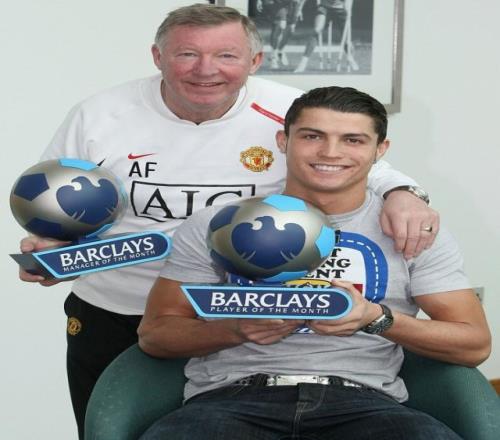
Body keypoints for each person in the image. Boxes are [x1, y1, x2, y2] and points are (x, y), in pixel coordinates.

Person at [18, 4, 438, 438]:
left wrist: (405, 194)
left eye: (226, 55)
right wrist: (52, 246)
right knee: (109, 426)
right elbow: (54, 199)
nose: (206, 70)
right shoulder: (99, 114)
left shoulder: (286, 109)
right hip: (119, 307)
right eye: (187, 54)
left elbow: (354, 161)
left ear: (254, 61)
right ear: (158, 57)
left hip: (238, 304)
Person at [137, 86, 491, 439]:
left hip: (365, 401)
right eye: (312, 136)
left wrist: (376, 318)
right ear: (283, 141)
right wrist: (234, 330)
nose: (330, 152)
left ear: (380, 150)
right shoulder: (219, 224)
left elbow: (474, 344)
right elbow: (155, 335)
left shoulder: (413, 230)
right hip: (232, 398)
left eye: (353, 140)